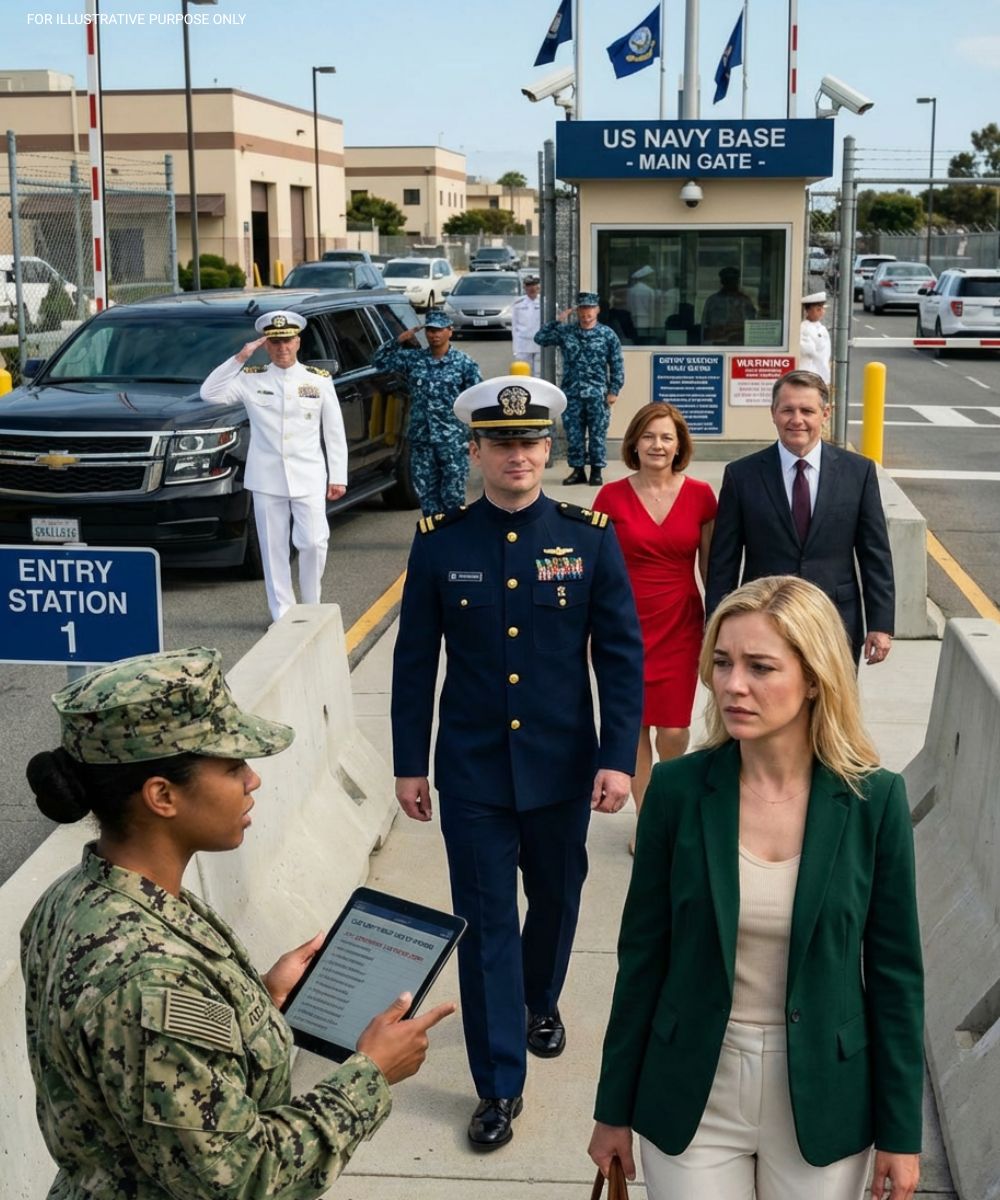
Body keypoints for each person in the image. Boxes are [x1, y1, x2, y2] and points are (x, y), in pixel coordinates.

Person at [20, 646, 455, 1200]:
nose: (253, 781)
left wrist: (262, 998)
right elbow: (242, 1179)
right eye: (232, 768)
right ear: (162, 796)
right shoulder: (149, 979)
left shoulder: (75, 897)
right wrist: (370, 1075)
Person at [589, 575, 924, 1200]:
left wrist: (901, 1133)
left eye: (760, 667)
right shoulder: (676, 793)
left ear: (815, 678)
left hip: (824, 1098)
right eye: (722, 662)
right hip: (692, 1093)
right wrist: (612, 1109)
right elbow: (642, 960)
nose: (732, 685)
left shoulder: (874, 801)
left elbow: (896, 976)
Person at [391, 375, 643, 1151]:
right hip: (471, 771)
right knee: (487, 924)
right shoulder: (440, 541)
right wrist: (409, 763)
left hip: (561, 766)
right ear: (475, 450)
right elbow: (413, 662)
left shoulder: (588, 537)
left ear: (548, 447)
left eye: (530, 441)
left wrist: (617, 758)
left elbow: (621, 657)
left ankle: (540, 997)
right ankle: (499, 1084)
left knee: (557, 900)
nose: (518, 455)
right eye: (500, 443)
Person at [706, 369, 894, 667]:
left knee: (832, 698)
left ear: (825, 414)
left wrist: (880, 624)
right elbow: (723, 561)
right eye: (787, 410)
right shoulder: (741, 475)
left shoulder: (858, 473)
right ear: (773, 413)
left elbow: (875, 554)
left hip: (835, 620)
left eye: (807, 411)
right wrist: (717, 623)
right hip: (763, 620)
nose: (797, 420)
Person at [594, 402, 717, 852]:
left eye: (667, 437)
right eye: (648, 436)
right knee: (634, 727)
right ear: (634, 443)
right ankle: (649, 822)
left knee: (673, 730)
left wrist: (719, 628)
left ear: (680, 445)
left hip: (681, 623)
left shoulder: (702, 496)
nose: (657, 445)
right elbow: (597, 572)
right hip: (625, 627)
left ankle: (670, 802)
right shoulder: (610, 498)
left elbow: (711, 570)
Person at [201, 310, 347, 623]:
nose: (283, 347)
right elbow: (209, 393)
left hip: (308, 474)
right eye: (276, 342)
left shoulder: (318, 380)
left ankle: (312, 606)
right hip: (267, 478)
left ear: (298, 342)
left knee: (314, 542)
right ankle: (283, 613)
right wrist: (240, 357)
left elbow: (334, 431)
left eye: (288, 340)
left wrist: (338, 476)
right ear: (267, 345)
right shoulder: (250, 379)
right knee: (273, 548)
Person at [372, 310, 481, 515]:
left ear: (450, 331)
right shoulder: (414, 359)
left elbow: (477, 401)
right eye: (430, 330)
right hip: (422, 438)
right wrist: (398, 340)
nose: (434, 335)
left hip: (452, 441)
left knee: (453, 496)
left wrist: (475, 436)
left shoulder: (464, 363)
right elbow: (379, 361)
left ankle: (453, 534)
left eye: (439, 330)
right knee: (427, 496)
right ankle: (433, 534)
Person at [534, 290, 625, 487]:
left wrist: (614, 390)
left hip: (597, 394)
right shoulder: (567, 332)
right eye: (583, 309)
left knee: (597, 433)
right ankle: (578, 471)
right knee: (574, 434)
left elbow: (617, 364)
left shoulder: (607, 334)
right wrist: (558, 321)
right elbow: (540, 338)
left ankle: (596, 471)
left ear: (597, 310)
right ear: (577, 311)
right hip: (572, 393)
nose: (586, 313)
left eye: (590, 308)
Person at [701, 266, 757, 345]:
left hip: (740, 343)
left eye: (733, 280)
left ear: (737, 281)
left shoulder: (744, 301)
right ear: (722, 281)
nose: (730, 283)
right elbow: (705, 325)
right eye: (727, 280)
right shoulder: (713, 301)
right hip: (718, 342)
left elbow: (750, 324)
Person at [799, 290, 832, 383]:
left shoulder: (821, 328)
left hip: (821, 374)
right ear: (808, 311)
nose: (822, 312)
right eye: (818, 309)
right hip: (809, 374)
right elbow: (808, 350)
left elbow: (826, 353)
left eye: (822, 309)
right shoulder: (804, 328)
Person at [511, 275, 541, 374]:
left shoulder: (545, 302)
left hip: (540, 344)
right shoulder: (518, 304)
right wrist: (515, 349)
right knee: (524, 374)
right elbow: (514, 327)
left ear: (539, 287)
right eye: (529, 285)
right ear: (524, 287)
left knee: (539, 374)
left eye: (534, 285)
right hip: (523, 345)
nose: (532, 288)